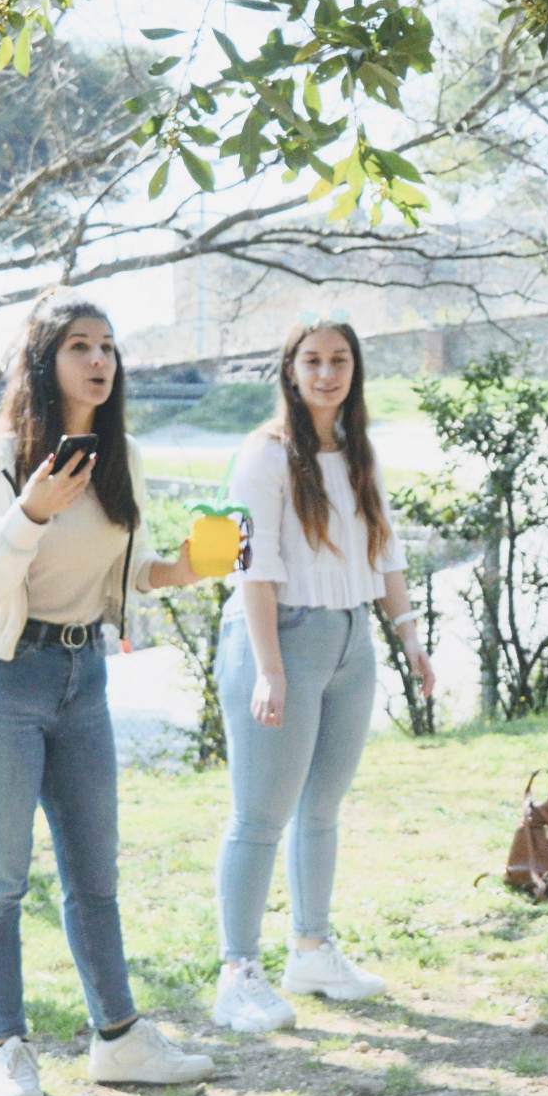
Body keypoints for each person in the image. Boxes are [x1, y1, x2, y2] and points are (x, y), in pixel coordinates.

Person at [0, 291, 216, 1096]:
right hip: (1, 681)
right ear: (43, 360)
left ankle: (119, 1037)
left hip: (82, 676)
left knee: (94, 874)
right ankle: (11, 1051)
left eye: (108, 346)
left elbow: (117, 574)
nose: (100, 360)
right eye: (80, 346)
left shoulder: (116, 451)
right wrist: (32, 508)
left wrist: (191, 566)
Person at [210, 316, 436, 1033]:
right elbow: (252, 564)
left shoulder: (356, 449)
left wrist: (411, 640)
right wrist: (270, 669)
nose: (327, 372)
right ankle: (237, 970)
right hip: (280, 639)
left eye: (340, 359)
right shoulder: (265, 454)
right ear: (290, 370)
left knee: (323, 807)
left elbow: (385, 549)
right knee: (259, 815)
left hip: (350, 641)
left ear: (354, 371)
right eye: (312, 360)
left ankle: (311, 946)